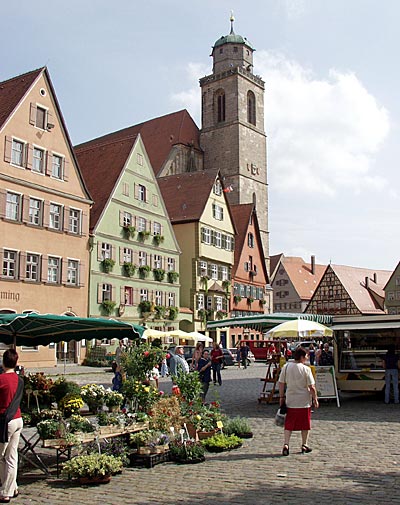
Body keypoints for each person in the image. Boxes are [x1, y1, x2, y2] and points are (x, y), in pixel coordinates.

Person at [278, 346, 319, 456]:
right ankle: (304, 444)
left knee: (289, 424)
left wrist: (281, 397)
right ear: (301, 357)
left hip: (290, 400)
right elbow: (312, 387)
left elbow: (281, 383)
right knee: (305, 424)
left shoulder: (286, 367)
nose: (307, 358)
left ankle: (286, 444)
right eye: (306, 356)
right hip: (304, 401)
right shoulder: (306, 369)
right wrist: (315, 399)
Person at [0, 349, 24, 502]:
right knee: (11, 457)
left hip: (5, 421)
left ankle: (5, 491)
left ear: (3, 362)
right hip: (17, 419)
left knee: (1, 456)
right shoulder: (20, 380)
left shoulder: (1, 379)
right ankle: (11, 487)